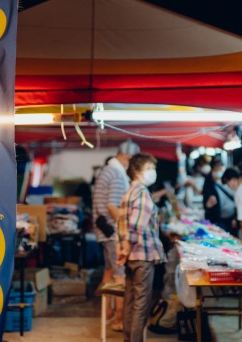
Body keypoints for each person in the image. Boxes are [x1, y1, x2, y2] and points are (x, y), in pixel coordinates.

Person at [116, 152, 167, 342]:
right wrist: (126, 249)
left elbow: (121, 226)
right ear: (136, 171)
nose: (152, 172)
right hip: (142, 255)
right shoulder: (143, 194)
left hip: (131, 256)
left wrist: (123, 250)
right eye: (149, 169)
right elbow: (136, 226)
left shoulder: (129, 193)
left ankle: (128, 339)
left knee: (131, 301)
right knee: (141, 304)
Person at [92, 139, 139, 331]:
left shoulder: (107, 170)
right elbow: (112, 206)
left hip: (104, 232)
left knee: (109, 272)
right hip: (112, 233)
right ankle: (120, 319)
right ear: (126, 157)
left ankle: (108, 315)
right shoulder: (117, 175)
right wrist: (125, 228)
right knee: (120, 277)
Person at [202, 158, 239, 236]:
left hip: (232, 218)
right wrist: (208, 205)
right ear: (212, 170)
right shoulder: (209, 183)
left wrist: (235, 217)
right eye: (216, 169)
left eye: (220, 168)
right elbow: (206, 203)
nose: (218, 171)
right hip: (218, 219)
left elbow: (236, 199)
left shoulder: (227, 180)